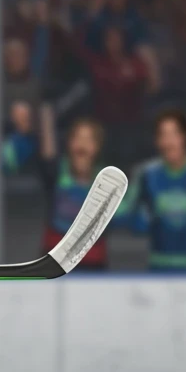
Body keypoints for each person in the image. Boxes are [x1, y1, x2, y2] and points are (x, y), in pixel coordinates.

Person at [120, 110, 186, 271]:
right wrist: (138, 218)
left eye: (174, 134)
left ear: (185, 137)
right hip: (160, 266)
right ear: (157, 141)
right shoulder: (147, 174)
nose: (169, 142)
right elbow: (127, 212)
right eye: (163, 135)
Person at [32, 111, 115, 270]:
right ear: (69, 143)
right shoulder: (57, 171)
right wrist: (46, 113)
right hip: (54, 262)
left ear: (98, 147)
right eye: (77, 138)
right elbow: (47, 153)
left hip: (93, 263)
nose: (82, 144)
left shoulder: (107, 180)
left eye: (89, 139)